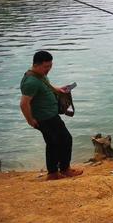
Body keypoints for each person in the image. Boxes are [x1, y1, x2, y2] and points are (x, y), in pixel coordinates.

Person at [19, 50, 83, 180]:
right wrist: (30, 120)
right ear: (36, 65)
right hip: (45, 118)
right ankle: (64, 170)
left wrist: (57, 90)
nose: (48, 69)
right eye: (46, 67)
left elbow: (46, 84)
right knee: (65, 139)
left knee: (53, 143)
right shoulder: (31, 82)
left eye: (50, 66)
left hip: (50, 115)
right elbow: (24, 104)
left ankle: (54, 173)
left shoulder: (39, 75)